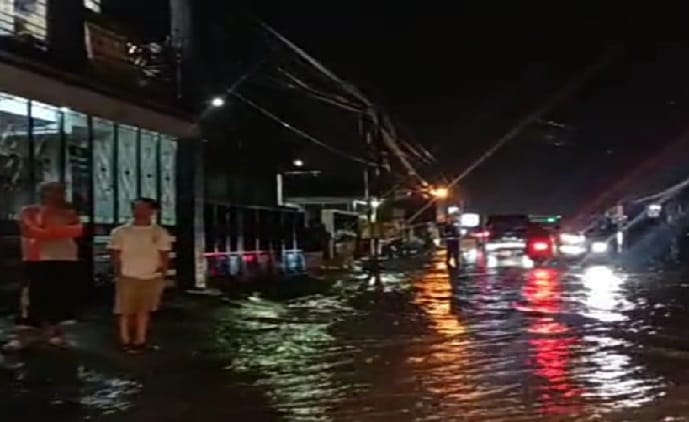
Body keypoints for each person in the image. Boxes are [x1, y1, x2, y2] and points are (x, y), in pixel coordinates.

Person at [7, 182, 83, 351]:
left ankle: (55, 332)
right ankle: (26, 334)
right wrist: (56, 229)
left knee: (59, 295)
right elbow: (31, 231)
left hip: (65, 258)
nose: (57, 195)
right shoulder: (29, 211)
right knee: (33, 296)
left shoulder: (70, 212)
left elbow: (76, 231)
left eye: (60, 191)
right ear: (42, 193)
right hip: (38, 259)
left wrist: (48, 231)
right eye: (53, 191)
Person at [108, 198, 171, 353]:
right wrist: (118, 272)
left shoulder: (159, 232)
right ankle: (125, 340)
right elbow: (115, 253)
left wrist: (162, 274)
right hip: (127, 275)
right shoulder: (120, 232)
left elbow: (164, 254)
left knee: (145, 310)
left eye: (143, 208)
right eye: (136, 208)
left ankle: (140, 340)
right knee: (125, 310)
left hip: (151, 276)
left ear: (152, 211)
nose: (139, 211)